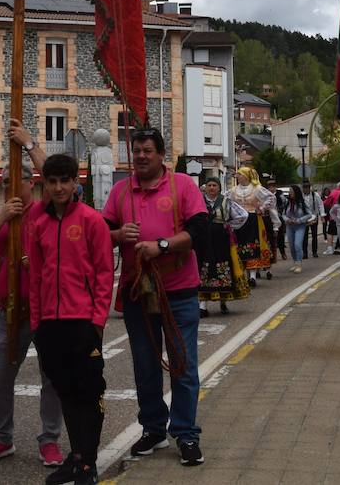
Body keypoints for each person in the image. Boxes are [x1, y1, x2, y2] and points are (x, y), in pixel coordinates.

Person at [102, 126, 209, 467]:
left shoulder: (183, 185)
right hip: (138, 292)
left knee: (183, 365)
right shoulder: (121, 191)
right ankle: (153, 428)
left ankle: (186, 433)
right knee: (145, 366)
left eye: (148, 150)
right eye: (136, 151)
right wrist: (119, 234)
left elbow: (200, 230)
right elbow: (100, 233)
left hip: (178, 291)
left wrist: (161, 245)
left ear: (162, 154)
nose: (141, 156)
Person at [0, 120, 63, 469]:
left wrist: (29, 143)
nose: (9, 187)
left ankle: (49, 440)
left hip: (45, 309)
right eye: (4, 182)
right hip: (10, 311)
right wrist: (0, 219)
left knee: (52, 378)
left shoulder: (45, 212)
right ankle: (1, 437)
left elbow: (57, 183)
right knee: (0, 379)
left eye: (15, 181)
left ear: (30, 182)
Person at [29, 153, 115, 485]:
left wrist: (97, 322)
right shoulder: (40, 225)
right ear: (45, 185)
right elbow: (35, 278)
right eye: (52, 181)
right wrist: (37, 323)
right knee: (65, 391)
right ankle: (77, 456)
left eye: (65, 180)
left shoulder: (92, 221)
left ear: (75, 182)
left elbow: (104, 275)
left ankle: (87, 462)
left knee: (89, 392)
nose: (59, 187)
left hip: (83, 322)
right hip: (50, 324)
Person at [198, 176, 250, 316]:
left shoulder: (226, 201)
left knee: (223, 266)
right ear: (205, 187)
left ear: (219, 187)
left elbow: (243, 215)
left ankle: (223, 301)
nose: (211, 188)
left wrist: (229, 225)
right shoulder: (199, 201)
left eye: (214, 185)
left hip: (221, 239)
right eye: (209, 185)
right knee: (205, 267)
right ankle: (202, 306)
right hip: (204, 240)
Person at [228, 167, 276, 284]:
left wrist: (262, 208)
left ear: (246, 176)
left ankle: (253, 276)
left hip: (253, 219)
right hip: (239, 221)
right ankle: (243, 275)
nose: (237, 176)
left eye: (239, 174)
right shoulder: (233, 190)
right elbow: (225, 201)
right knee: (240, 246)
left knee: (253, 246)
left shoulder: (257, 189)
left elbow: (271, 197)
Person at [282, 185, 311, 272]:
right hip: (289, 227)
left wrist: (299, 220)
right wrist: (287, 220)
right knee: (291, 246)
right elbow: (283, 214)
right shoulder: (288, 203)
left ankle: (299, 263)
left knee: (297, 245)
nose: (290, 193)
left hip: (300, 226)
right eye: (289, 191)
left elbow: (309, 214)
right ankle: (295, 262)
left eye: (291, 191)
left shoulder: (302, 202)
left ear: (296, 192)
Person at [264, 176, 288, 261]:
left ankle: (282, 252)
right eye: (270, 186)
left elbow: (285, 203)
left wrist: (279, 211)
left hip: (278, 216)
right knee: (268, 237)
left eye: (273, 186)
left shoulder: (279, 194)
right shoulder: (265, 194)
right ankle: (271, 255)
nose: (271, 188)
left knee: (280, 237)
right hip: (268, 217)